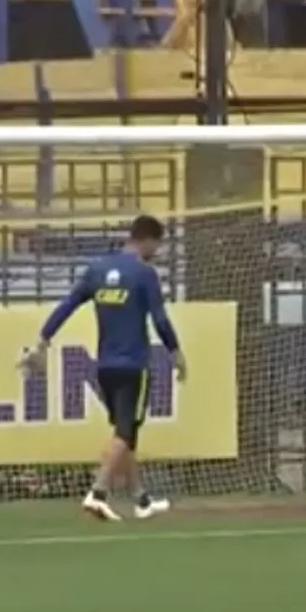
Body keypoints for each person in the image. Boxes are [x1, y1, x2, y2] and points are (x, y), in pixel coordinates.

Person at [20, 215, 187, 522]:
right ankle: (97, 492)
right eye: (157, 245)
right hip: (134, 365)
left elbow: (67, 305)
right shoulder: (143, 273)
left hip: (104, 367)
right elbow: (160, 319)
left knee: (125, 434)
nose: (157, 252)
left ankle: (141, 499)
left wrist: (43, 340)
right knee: (125, 432)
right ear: (147, 240)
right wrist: (175, 352)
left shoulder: (96, 270)